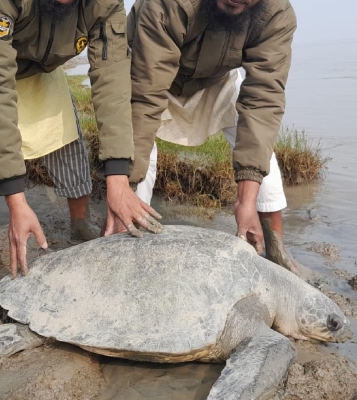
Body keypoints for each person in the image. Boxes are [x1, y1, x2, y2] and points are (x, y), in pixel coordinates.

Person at [0, 0, 162, 286]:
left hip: (35, 46)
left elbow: (113, 81)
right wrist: (16, 201)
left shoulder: (105, 3)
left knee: (64, 129)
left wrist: (119, 180)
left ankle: (79, 224)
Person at [127, 0, 301, 274]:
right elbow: (146, 98)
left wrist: (246, 201)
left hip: (215, 79)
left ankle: (276, 248)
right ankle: (128, 236)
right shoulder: (166, 4)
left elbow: (263, 102)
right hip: (148, 73)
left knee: (262, 153)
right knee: (139, 158)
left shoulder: (276, 14)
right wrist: (124, 188)